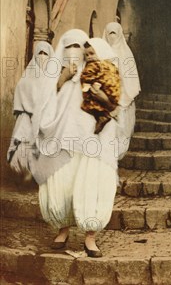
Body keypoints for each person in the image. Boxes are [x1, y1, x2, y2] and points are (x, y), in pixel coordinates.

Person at [37, 29, 120, 257]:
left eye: (78, 47)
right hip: (64, 142)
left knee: (92, 181)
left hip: (92, 142)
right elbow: (43, 107)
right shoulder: (56, 78)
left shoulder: (97, 73)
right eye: (68, 47)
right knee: (62, 182)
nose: (74, 52)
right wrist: (62, 79)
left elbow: (112, 104)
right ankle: (62, 230)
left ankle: (90, 237)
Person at [7, 42, 58, 182]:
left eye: (45, 54)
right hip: (26, 120)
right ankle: (24, 175)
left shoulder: (54, 79)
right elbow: (20, 92)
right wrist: (30, 110)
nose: (42, 57)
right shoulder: (27, 77)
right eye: (39, 53)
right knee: (24, 146)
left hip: (46, 120)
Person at [103, 22, 140, 159]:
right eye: (109, 33)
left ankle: (117, 156)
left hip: (123, 97)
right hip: (105, 97)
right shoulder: (102, 52)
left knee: (122, 128)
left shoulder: (126, 53)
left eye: (114, 33)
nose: (112, 36)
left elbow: (131, 78)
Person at [81, 38, 121, 134]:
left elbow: (86, 77)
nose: (89, 57)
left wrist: (85, 85)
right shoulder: (111, 64)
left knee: (90, 102)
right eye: (86, 55)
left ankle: (101, 117)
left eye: (92, 53)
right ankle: (103, 116)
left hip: (102, 89)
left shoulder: (94, 65)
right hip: (113, 92)